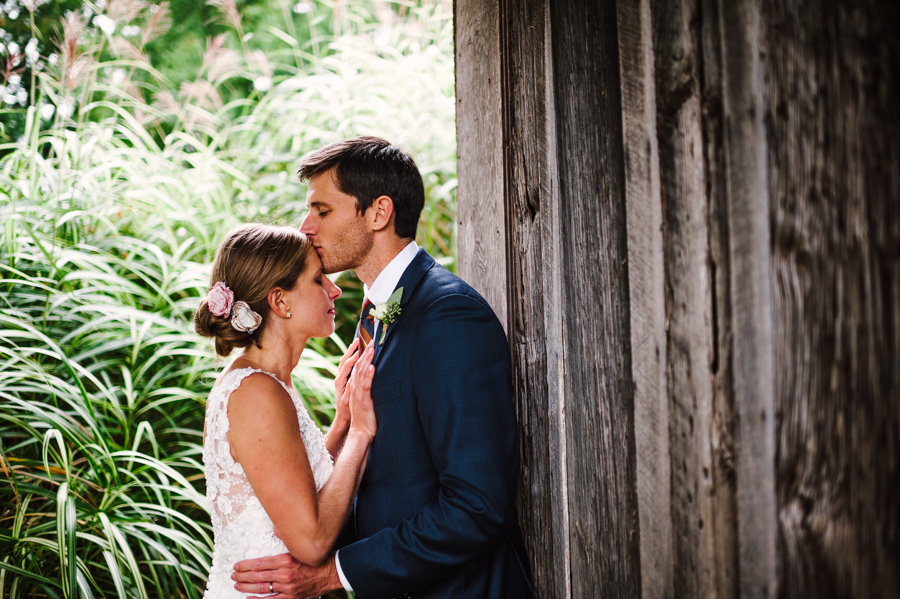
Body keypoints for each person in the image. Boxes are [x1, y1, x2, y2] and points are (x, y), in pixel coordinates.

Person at [232, 137, 535, 598]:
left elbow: (478, 506)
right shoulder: (376, 312)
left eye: (322, 210)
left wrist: (334, 574)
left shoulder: (447, 314)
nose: (305, 226)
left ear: (378, 213)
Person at [194, 223, 379, 599]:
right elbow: (311, 542)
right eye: (318, 280)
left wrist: (342, 423)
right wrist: (361, 433)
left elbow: (291, 487)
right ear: (280, 302)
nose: (335, 289)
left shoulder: (266, 381)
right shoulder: (256, 392)